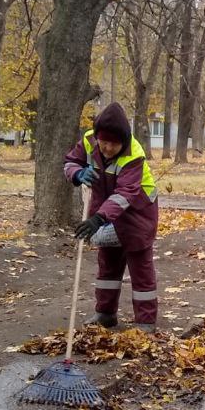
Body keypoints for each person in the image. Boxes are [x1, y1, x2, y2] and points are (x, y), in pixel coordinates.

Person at [63, 101, 160, 332]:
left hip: (138, 213)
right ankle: (105, 313)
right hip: (107, 212)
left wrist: (98, 219)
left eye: (113, 144)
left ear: (123, 142)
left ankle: (145, 322)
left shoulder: (133, 154)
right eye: (103, 142)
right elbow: (69, 162)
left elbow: (125, 193)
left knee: (141, 268)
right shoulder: (89, 140)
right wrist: (78, 174)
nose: (106, 148)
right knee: (107, 263)